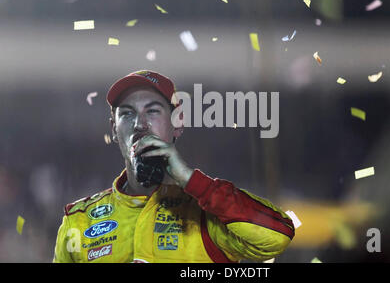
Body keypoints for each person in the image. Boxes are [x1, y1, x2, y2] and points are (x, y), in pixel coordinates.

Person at [53, 70, 295, 263]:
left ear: (178, 123)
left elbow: (278, 237)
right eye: (127, 114)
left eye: (153, 111)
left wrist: (192, 181)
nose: (140, 124)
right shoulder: (79, 221)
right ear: (113, 130)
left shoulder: (208, 212)